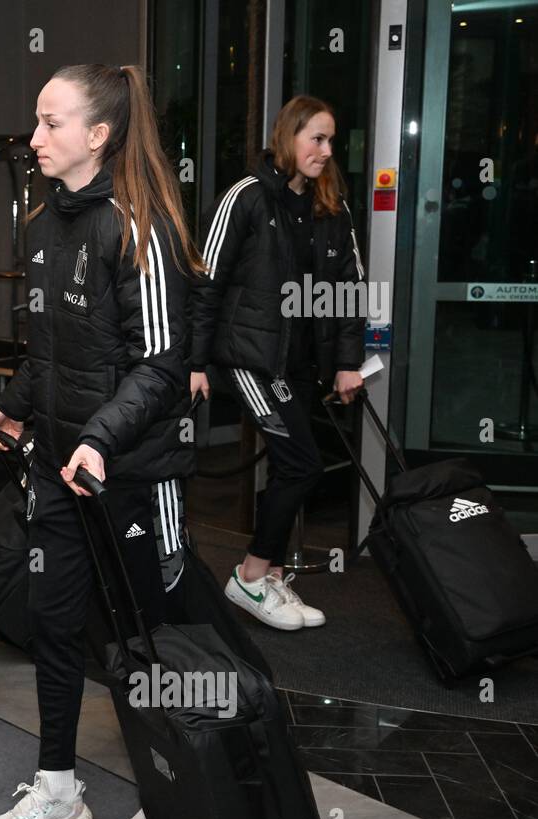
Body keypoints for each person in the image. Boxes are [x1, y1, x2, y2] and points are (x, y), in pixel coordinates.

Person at [0, 64, 202, 819]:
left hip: (131, 473)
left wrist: (100, 441)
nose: (33, 138)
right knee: (53, 620)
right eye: (36, 122)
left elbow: (163, 360)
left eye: (50, 123)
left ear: (98, 135)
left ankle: (174, 782)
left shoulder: (138, 225)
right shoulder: (44, 225)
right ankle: (58, 790)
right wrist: (13, 407)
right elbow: (48, 348)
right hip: (57, 465)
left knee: (146, 640)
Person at [188, 95, 365, 631]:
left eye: (331, 140)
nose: (327, 150)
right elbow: (206, 281)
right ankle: (249, 574)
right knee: (302, 464)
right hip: (250, 358)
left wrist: (348, 363)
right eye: (317, 138)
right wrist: (195, 362)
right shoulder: (246, 197)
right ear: (288, 138)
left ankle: (270, 576)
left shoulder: (331, 207)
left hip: (300, 365)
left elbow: (350, 291)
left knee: (293, 466)